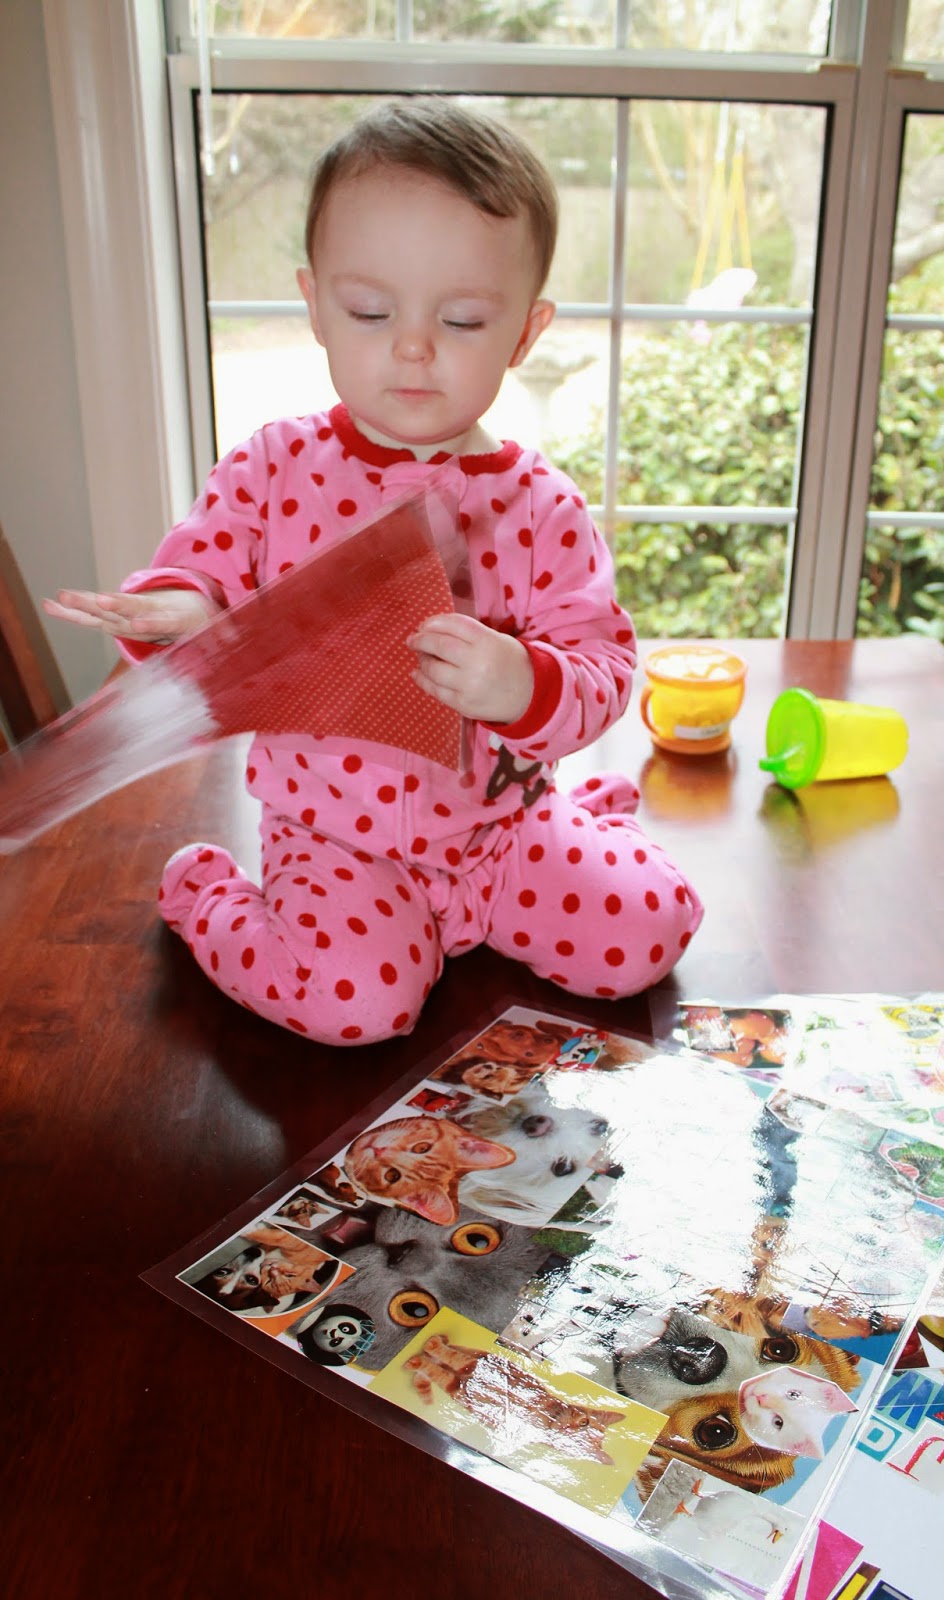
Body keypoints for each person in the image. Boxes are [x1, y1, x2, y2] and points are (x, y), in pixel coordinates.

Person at [44, 97, 703, 1046]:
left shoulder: (544, 505)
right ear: (314, 304)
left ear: (525, 331)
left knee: (651, 926)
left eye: (465, 319)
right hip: (339, 842)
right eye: (369, 309)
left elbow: (602, 671)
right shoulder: (276, 467)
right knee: (356, 1005)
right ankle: (207, 894)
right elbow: (203, 568)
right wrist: (181, 613)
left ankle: (573, 836)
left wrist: (523, 682)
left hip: (501, 831)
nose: (413, 346)